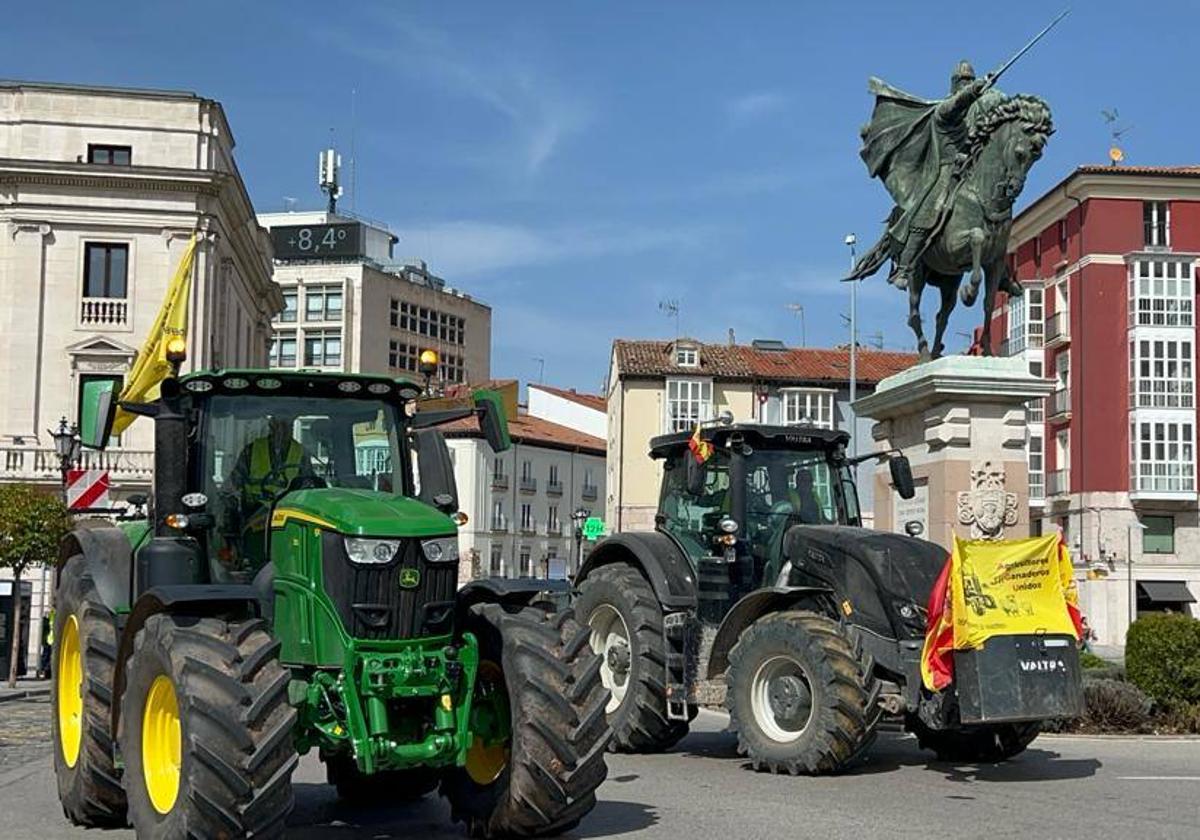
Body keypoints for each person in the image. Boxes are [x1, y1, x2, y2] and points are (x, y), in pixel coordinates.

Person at [230, 416, 313, 511]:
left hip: (289, 515)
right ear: (271, 427)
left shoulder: (301, 454)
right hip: (253, 514)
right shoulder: (252, 451)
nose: (280, 432)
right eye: (277, 426)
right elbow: (233, 485)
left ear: (291, 427)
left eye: (285, 427)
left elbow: (309, 489)